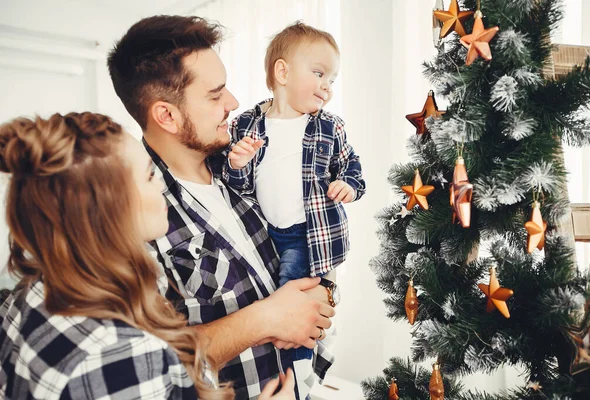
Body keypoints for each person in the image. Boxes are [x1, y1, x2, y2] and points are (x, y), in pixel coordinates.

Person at [107, 16, 335, 399]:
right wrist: (265, 319)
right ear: (167, 115)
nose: (233, 103)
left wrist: (323, 292)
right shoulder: (133, 213)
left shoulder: (245, 163)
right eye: (215, 95)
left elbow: (306, 239)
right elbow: (144, 365)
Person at [0, 112, 295, 399]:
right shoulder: (121, 357)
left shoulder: (28, 294)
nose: (160, 187)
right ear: (109, 209)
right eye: (149, 175)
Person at [223, 22, 366, 361]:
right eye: (319, 74)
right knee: (264, 296)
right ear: (282, 72)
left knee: (294, 295)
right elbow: (235, 188)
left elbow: (351, 164)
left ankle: (296, 367)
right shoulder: (246, 124)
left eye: (332, 80)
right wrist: (238, 164)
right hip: (263, 232)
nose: (327, 87)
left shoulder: (329, 126)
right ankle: (273, 361)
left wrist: (348, 185)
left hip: (308, 234)